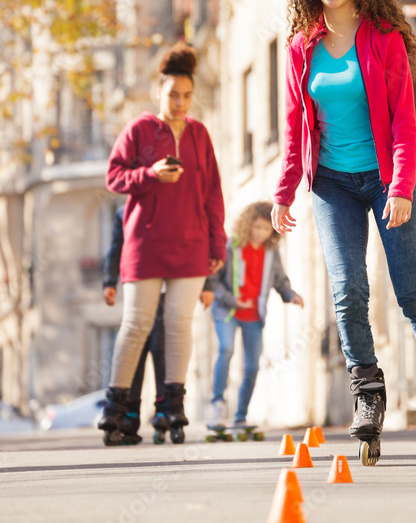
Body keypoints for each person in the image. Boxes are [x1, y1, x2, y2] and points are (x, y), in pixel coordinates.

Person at [270, 0, 416, 465]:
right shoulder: (299, 47)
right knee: (348, 290)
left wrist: (401, 188)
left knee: (411, 291)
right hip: (332, 184)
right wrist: (284, 194)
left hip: (386, 179)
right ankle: (368, 394)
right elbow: (296, 131)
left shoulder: (383, 38)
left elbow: (405, 125)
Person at [99, 42, 226, 446]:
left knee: (178, 326)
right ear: (159, 91)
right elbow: (113, 177)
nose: (180, 103)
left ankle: (172, 408)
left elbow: (213, 195)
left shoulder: (200, 134)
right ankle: (116, 412)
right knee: (135, 326)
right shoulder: (138, 130)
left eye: (187, 96)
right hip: (144, 244)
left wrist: (216, 247)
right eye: (173, 95)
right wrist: (149, 175)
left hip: (190, 246)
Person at [102, 206, 214, 444]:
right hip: (141, 296)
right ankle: (129, 416)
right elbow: (116, 249)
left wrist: (207, 285)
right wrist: (109, 281)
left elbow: (199, 245)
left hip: (169, 298)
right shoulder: (125, 213)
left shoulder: (180, 207)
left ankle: (166, 411)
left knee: (163, 352)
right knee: (136, 355)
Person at [208, 201, 304, 429]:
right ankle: (218, 406)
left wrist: (291, 295)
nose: (260, 233)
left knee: (252, 366)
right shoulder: (231, 246)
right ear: (247, 224)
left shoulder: (271, 253)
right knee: (226, 350)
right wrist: (233, 300)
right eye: (257, 226)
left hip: (254, 314)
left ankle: (240, 416)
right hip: (227, 311)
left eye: (266, 228)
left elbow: (280, 280)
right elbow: (213, 281)